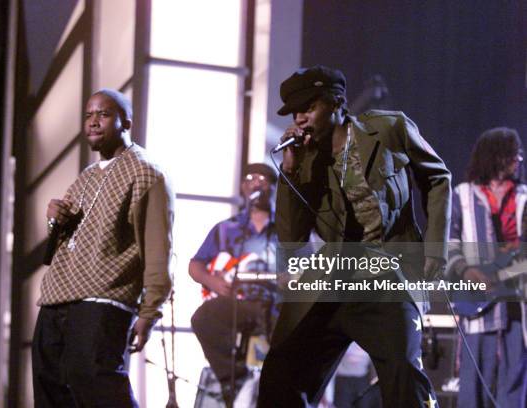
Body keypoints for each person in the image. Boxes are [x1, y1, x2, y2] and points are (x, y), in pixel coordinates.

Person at [257, 65, 452, 407]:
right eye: (295, 112)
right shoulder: (302, 160)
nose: (300, 119)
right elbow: (292, 236)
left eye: (309, 108)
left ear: (336, 103)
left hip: (389, 273)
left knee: (404, 375)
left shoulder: (390, 129)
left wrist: (435, 250)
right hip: (332, 277)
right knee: (280, 375)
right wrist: (290, 172)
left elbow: (438, 178)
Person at [31, 89, 174, 407]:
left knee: (100, 391)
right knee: (50, 391)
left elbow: (158, 250)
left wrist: (149, 312)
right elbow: (62, 247)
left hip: (102, 300)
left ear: (127, 123)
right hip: (56, 300)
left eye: (104, 114)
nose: (93, 122)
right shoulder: (85, 177)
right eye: (89, 115)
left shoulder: (146, 172)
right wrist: (55, 219)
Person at [445, 127, 527, 408]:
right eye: (512, 154)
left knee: (514, 382)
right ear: (496, 156)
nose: (518, 159)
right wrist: (467, 271)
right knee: (474, 383)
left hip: (517, 301)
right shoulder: (463, 195)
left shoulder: (524, 196)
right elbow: (450, 241)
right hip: (477, 301)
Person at [190, 163, 279, 407]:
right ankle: (235, 381)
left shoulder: (288, 230)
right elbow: (195, 265)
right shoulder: (226, 228)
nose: (257, 182)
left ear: (274, 188)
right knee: (203, 318)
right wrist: (212, 281)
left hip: (276, 307)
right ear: (243, 187)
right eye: (251, 177)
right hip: (238, 303)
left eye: (264, 179)